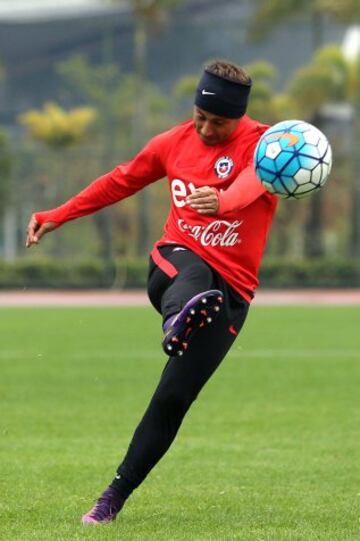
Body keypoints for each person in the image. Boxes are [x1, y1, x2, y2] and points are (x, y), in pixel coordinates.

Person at [26, 60, 278, 524]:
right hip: (173, 263)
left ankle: (110, 499)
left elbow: (250, 184)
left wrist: (222, 201)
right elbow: (119, 180)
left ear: (239, 116)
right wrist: (59, 213)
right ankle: (177, 317)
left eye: (217, 122)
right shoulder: (173, 142)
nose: (203, 128)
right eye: (199, 117)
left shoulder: (266, 145)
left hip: (233, 293)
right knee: (193, 272)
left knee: (172, 400)